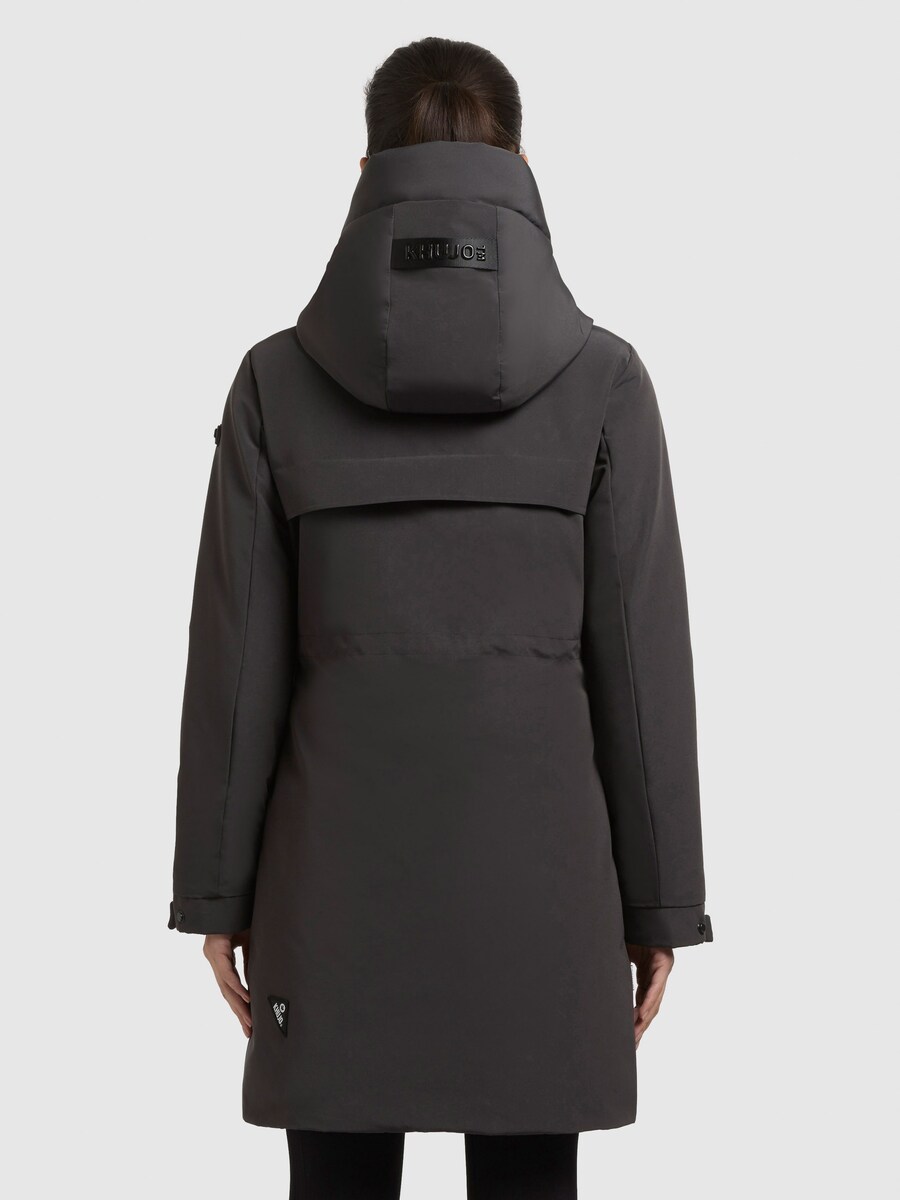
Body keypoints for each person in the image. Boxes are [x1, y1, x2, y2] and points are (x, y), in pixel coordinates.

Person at [167, 35, 713, 1200]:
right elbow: (642, 666)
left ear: (366, 171)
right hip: (547, 895)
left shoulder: (275, 382)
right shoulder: (606, 381)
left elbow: (236, 665)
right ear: (522, 168)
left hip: (328, 893)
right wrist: (661, 901)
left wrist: (217, 892)